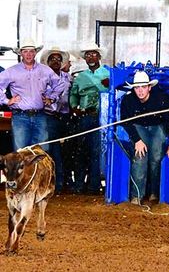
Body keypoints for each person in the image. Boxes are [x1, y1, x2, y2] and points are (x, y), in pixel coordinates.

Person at [120, 71, 169, 205]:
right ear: (133, 89)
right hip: (138, 127)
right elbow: (125, 121)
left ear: (149, 87)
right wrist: (137, 140)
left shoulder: (162, 98)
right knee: (140, 158)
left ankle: (154, 192)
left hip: (158, 126)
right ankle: (137, 195)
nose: (140, 91)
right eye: (137, 87)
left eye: (143, 87)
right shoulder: (128, 101)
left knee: (156, 158)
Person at [0, 38, 66, 151]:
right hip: (20, 116)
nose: (29, 54)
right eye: (25, 51)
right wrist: (7, 101)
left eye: (31, 51)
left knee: (41, 152)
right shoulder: (11, 71)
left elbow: (60, 85)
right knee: (21, 152)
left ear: (35, 52)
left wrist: (52, 98)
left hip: (40, 115)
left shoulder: (45, 70)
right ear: (21, 53)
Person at [69, 42, 110, 194]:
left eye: (93, 54)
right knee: (80, 151)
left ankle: (94, 185)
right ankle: (79, 184)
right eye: (88, 55)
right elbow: (73, 94)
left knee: (96, 151)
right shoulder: (81, 77)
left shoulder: (108, 74)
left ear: (99, 56)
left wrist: (109, 85)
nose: (91, 57)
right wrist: (74, 108)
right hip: (84, 117)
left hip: (101, 117)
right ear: (85, 59)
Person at [41, 46, 72, 191]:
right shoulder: (42, 78)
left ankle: (64, 182)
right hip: (49, 117)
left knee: (67, 151)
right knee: (52, 150)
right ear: (47, 62)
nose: (55, 61)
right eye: (52, 59)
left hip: (65, 117)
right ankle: (54, 184)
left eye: (58, 59)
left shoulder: (68, 78)